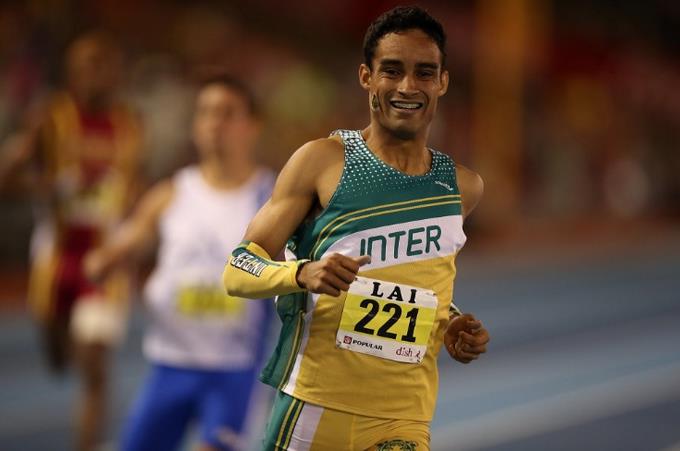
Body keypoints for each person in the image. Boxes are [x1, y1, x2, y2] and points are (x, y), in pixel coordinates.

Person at [223, 6, 490, 451]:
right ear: (366, 77)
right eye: (392, 71)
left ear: (442, 82)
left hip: (404, 416)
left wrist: (450, 321)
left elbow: (415, 281)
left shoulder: (462, 187)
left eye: (424, 73)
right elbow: (237, 269)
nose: (408, 87)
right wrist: (301, 273)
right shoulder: (322, 162)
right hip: (315, 408)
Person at [85, 75, 276, 451]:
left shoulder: (271, 198)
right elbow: (126, 243)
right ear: (195, 125)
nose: (215, 123)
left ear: (252, 125)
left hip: (234, 369)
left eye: (227, 113)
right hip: (170, 364)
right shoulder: (172, 193)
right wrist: (104, 260)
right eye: (206, 112)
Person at [0, 32, 143, 451]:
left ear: (116, 73)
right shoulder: (50, 118)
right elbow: (7, 179)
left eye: (104, 66)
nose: (96, 75)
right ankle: (58, 341)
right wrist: (47, 186)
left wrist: (129, 202)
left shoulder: (131, 126)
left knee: (94, 363)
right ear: (71, 72)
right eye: (86, 67)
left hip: (103, 260)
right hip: (56, 257)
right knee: (59, 357)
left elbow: (137, 183)